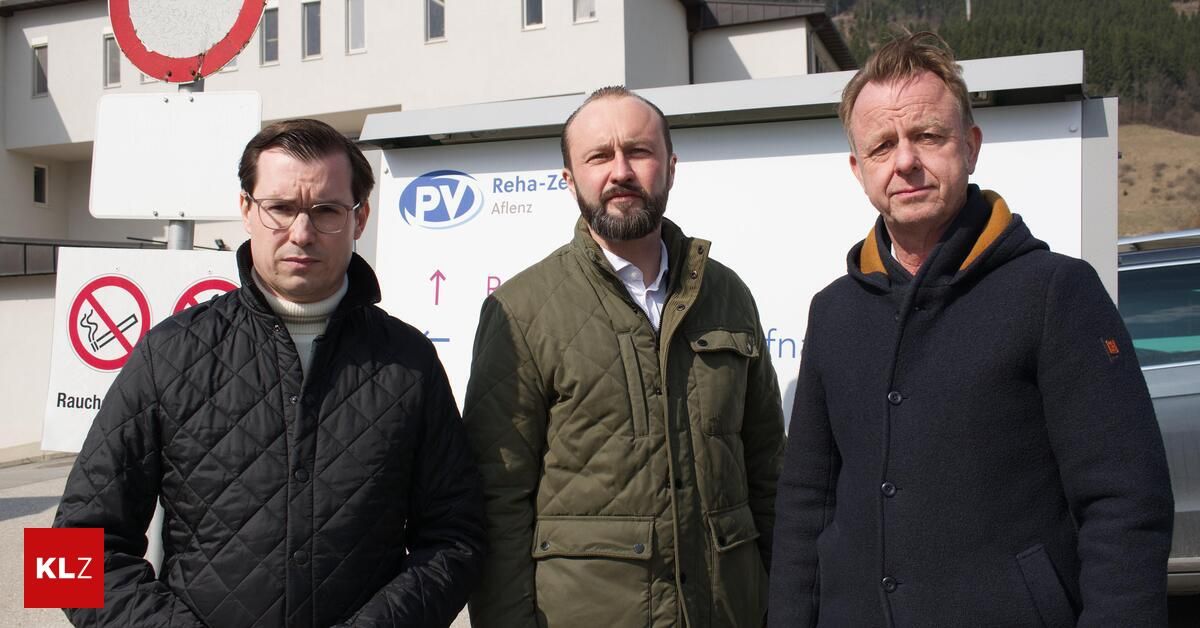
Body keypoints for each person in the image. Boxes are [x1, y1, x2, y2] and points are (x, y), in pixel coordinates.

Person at [768, 32, 1174, 627]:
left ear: (971, 145)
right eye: (882, 146)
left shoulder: (1054, 293)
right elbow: (807, 504)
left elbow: (1123, 502)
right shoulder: (834, 311)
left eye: (927, 135)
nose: (905, 160)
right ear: (859, 170)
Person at [54, 119, 485, 628]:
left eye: (326, 210)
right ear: (246, 210)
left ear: (359, 218)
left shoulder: (408, 362)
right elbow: (63, 560)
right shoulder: (169, 355)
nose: (301, 233)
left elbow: (457, 540)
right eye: (280, 208)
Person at [462, 86, 786, 627]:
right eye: (598, 156)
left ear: (671, 166)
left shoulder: (728, 295)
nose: (621, 171)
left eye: (638, 151)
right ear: (569, 179)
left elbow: (769, 469)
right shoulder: (520, 311)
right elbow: (498, 500)